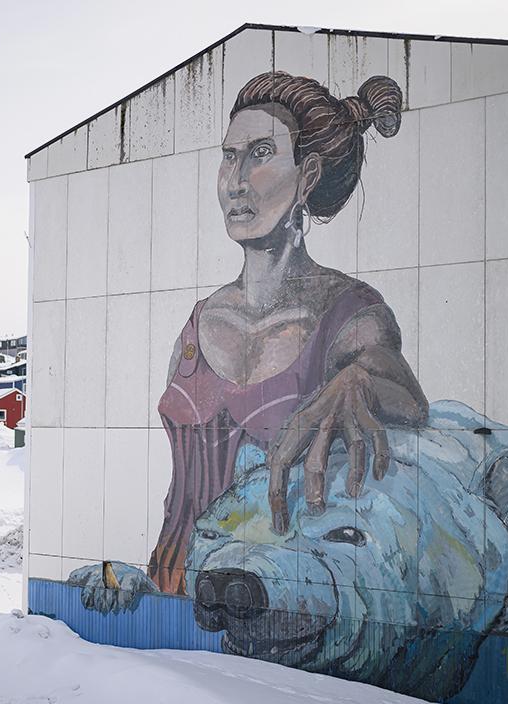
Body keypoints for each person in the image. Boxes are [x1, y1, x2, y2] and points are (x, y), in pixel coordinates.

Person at [146, 71, 429, 594]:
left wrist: (357, 381)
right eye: (229, 156)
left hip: (274, 601)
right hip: (172, 591)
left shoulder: (349, 313)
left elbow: (408, 398)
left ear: (308, 174)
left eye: (260, 154)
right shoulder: (197, 323)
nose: (235, 181)